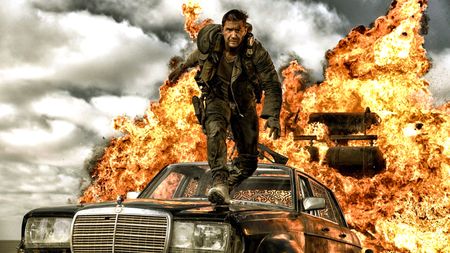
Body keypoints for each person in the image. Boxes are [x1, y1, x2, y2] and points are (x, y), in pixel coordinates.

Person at [169, 9, 282, 205]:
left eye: (238, 30)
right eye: (229, 30)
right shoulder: (212, 44)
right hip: (217, 96)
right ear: (223, 30)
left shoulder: (256, 52)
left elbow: (271, 83)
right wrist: (181, 67)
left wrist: (272, 116)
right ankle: (219, 180)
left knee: (249, 161)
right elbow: (197, 56)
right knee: (215, 130)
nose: (234, 35)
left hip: (243, 103)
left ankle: (223, 188)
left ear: (245, 30)